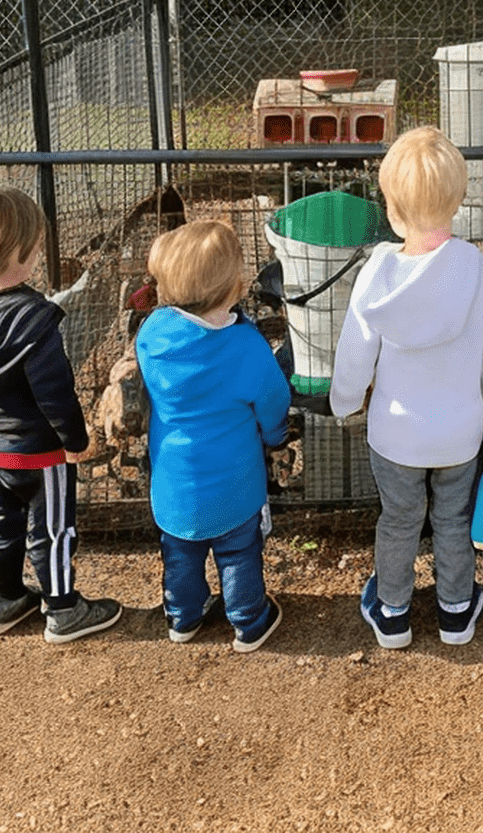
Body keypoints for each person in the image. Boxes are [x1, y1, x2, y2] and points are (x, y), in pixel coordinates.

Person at [331, 126, 483, 649]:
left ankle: (392, 611)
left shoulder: (375, 276)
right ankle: (456, 610)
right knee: (453, 519)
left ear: (390, 207)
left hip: (395, 435)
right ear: (457, 201)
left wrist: (344, 401)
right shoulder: (479, 272)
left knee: (399, 519)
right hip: (458, 435)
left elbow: (355, 351)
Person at [0, 184, 122, 643]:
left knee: (3, 527)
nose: (38, 255)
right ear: (17, 252)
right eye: (35, 248)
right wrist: (76, 443)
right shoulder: (35, 319)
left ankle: (5, 599)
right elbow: (55, 394)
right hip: (40, 453)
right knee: (53, 531)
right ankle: (63, 609)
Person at [136, 220, 293, 652]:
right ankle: (249, 621)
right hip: (235, 484)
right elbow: (273, 400)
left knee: (181, 553)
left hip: (172, 482)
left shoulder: (151, 335)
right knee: (239, 552)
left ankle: (182, 618)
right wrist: (277, 435)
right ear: (233, 288)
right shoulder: (245, 345)